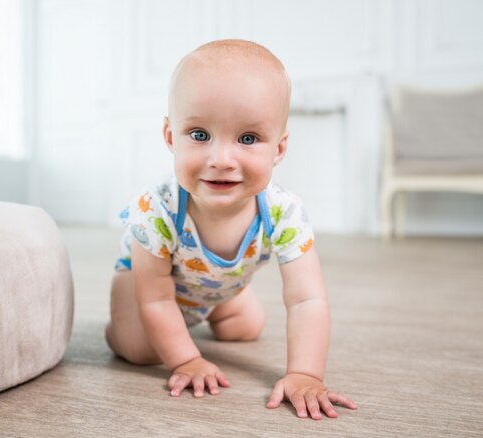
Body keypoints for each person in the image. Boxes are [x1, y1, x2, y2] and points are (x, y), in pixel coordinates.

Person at [105, 39, 357, 420]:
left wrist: (305, 374)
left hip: (218, 286)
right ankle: (121, 328)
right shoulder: (156, 209)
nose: (221, 160)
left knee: (246, 328)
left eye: (248, 139)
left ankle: (219, 305)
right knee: (140, 350)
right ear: (171, 138)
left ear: (279, 148)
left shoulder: (283, 212)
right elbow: (155, 299)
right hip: (149, 289)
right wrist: (187, 360)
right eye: (200, 135)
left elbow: (307, 299)